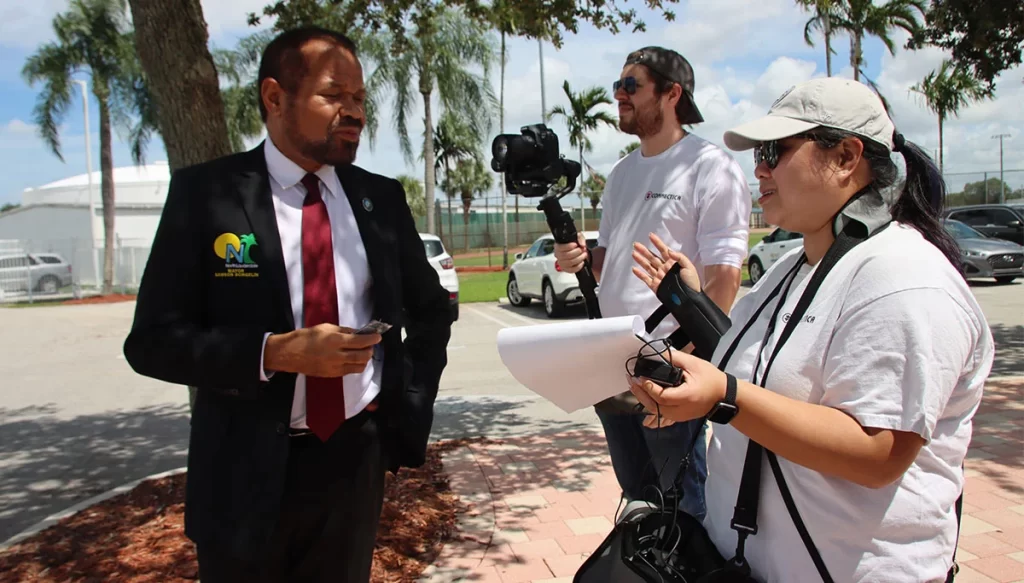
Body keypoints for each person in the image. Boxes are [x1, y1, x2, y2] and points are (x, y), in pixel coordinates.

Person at [629, 77, 994, 582]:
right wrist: (690, 305)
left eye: (774, 151)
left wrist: (724, 399)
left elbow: (877, 452)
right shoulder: (790, 268)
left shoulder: (905, 279)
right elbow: (756, 367)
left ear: (846, 156)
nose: (757, 167)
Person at [122, 26, 453, 583]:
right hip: (241, 475)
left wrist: (404, 417)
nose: (353, 113)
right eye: (333, 96)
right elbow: (152, 342)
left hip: (353, 465)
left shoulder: (380, 198)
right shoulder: (208, 195)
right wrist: (272, 352)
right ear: (275, 98)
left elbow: (429, 311)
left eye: (359, 99)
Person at [554, 46, 751, 520]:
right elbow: (614, 264)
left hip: (670, 363)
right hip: (612, 359)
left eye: (631, 85)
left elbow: (724, 274)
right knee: (637, 496)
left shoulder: (710, 166)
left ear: (672, 94)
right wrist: (583, 257)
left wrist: (698, 362)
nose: (618, 94)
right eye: (618, 85)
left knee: (682, 505)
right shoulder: (621, 172)